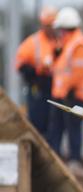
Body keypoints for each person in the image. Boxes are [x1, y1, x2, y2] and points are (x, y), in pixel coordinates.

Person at [47, 6, 83, 166]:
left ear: (65, 29)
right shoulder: (68, 44)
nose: (59, 33)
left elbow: (78, 72)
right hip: (63, 95)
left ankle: (75, 160)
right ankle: (55, 159)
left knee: (73, 129)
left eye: (60, 30)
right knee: (57, 128)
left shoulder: (79, 44)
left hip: (74, 96)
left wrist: (67, 89)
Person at [15, 6, 58, 136]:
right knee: (37, 123)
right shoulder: (33, 42)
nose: (51, 29)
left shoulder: (59, 41)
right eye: (48, 25)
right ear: (43, 25)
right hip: (37, 88)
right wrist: (34, 76)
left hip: (55, 88)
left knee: (54, 125)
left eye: (53, 26)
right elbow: (20, 64)